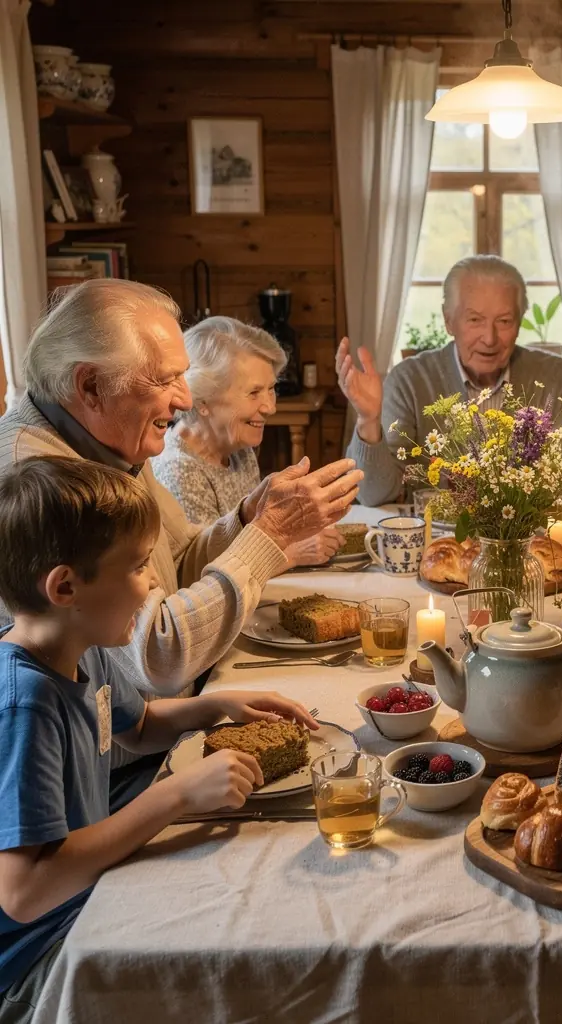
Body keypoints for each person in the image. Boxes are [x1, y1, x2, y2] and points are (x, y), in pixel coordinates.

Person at [0, 457, 318, 1020]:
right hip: (43, 962)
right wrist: (172, 797)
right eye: (139, 567)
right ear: (66, 586)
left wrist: (214, 706)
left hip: (90, 898)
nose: (150, 585)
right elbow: (24, 892)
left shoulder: (82, 647)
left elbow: (140, 727)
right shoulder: (25, 704)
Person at [0, 280, 362, 713]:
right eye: (165, 378)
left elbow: (179, 562)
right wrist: (269, 536)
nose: (186, 398)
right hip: (113, 769)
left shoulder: (110, 438)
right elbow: (160, 653)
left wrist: (248, 519)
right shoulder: (39, 480)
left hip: (152, 731)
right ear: (92, 386)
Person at [337, 254, 562, 508]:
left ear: (519, 322)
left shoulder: (556, 377)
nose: (490, 338)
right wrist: (368, 420)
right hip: (434, 543)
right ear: (449, 321)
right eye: (475, 320)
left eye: (504, 321)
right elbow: (373, 495)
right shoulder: (409, 380)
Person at [152, 316, 340, 566]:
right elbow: (203, 571)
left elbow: (254, 534)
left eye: (271, 389)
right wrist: (290, 554)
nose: (270, 407)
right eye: (254, 393)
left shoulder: (239, 449)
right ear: (202, 401)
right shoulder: (179, 470)